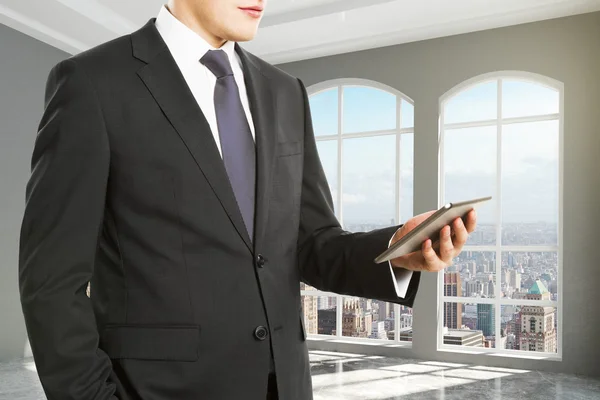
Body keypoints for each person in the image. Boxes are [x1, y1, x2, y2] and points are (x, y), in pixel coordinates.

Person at [17, 1, 477, 399]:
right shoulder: (93, 84)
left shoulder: (284, 92)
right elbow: (50, 284)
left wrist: (398, 248)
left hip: (286, 384)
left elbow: (311, 242)